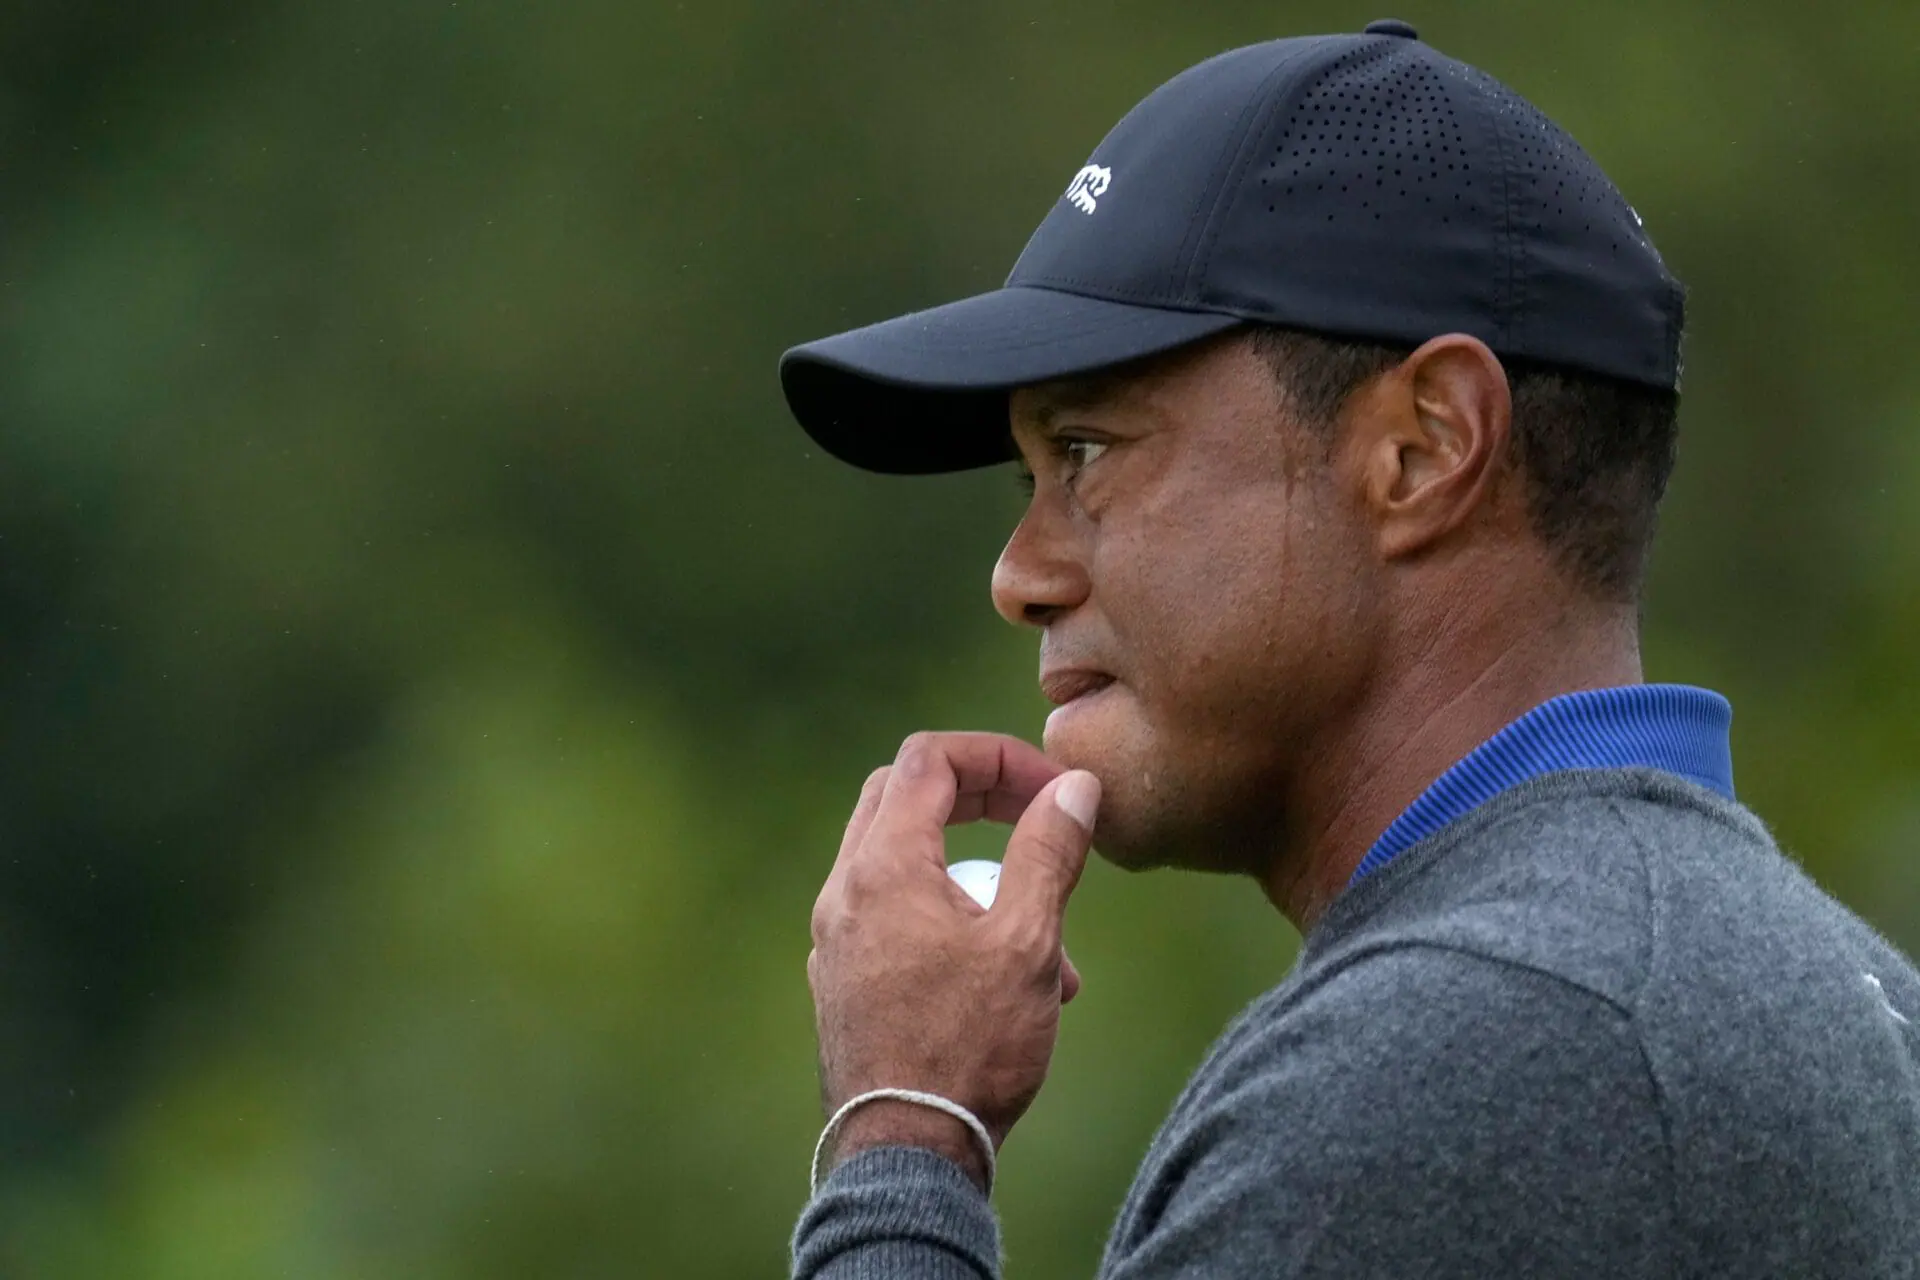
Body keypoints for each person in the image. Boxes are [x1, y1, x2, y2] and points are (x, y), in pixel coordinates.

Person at [778, 21, 1920, 1279]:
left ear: (1425, 449)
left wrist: (901, 1138)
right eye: (1030, 476)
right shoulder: (1846, 997)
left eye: (1089, 452)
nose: (1020, 574)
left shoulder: (1474, 1043)